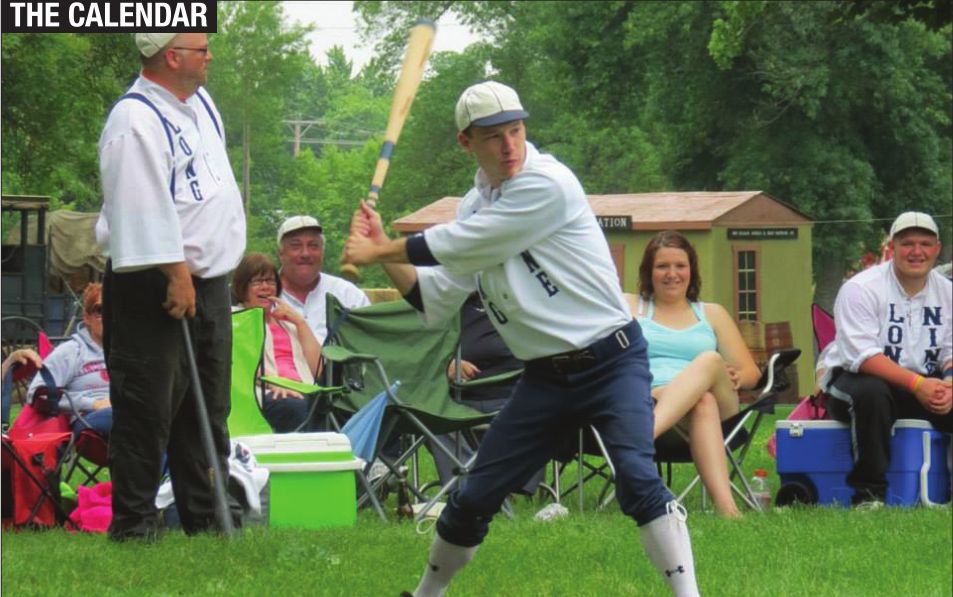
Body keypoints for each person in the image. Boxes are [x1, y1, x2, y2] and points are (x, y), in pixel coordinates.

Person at [344, 81, 699, 597]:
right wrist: (386, 254)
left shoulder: (548, 183)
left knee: (637, 479)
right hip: (544, 377)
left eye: (515, 130)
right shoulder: (473, 207)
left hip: (612, 360)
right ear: (466, 142)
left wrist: (380, 250)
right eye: (493, 137)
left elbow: (468, 241)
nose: (509, 146)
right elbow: (436, 299)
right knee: (474, 495)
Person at [96, 32, 245, 541]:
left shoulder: (199, 103)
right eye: (201, 50)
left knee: (208, 408)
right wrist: (177, 274)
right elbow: (139, 206)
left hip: (209, 281)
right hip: (154, 281)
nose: (210, 56)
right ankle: (135, 524)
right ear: (171, 56)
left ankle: (206, 517)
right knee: (147, 406)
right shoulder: (133, 120)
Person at [819, 211, 952, 507]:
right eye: (907, 244)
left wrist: (948, 384)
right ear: (892, 247)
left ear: (937, 248)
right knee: (872, 393)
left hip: (922, 382)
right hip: (854, 379)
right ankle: (869, 496)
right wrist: (917, 384)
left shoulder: (947, 292)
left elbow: (950, 350)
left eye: (925, 244)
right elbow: (862, 356)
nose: (917, 252)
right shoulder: (861, 288)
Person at [626, 231, 760, 517]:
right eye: (662, 266)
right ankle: (729, 512)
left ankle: (641, 439)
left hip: (722, 408)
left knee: (710, 360)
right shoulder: (631, 307)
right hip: (652, 397)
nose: (672, 274)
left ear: (692, 271)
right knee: (703, 401)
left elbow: (751, 372)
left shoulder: (711, 313)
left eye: (680, 266)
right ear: (649, 272)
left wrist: (738, 377)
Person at [431, 293, 543, 495]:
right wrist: (445, 363)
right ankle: (469, 487)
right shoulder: (448, 306)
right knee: (431, 412)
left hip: (513, 396)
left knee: (542, 404)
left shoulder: (522, 300)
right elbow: (424, 350)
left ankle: (504, 485)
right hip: (458, 400)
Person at [233, 253, 324, 432]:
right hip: (265, 390)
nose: (265, 287)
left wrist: (301, 323)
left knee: (333, 405)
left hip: (304, 388)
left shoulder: (289, 323)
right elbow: (242, 363)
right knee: (295, 406)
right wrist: (275, 383)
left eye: (270, 281)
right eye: (257, 282)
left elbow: (319, 370)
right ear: (242, 287)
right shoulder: (237, 320)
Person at [26, 284, 113, 439]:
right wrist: (93, 404)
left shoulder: (130, 354)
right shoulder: (71, 352)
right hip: (89, 418)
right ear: (87, 317)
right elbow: (38, 393)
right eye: (100, 310)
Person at [277, 215, 370, 345]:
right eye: (296, 246)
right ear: (281, 253)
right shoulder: (262, 296)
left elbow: (370, 343)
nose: (305, 254)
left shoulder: (348, 295)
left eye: (313, 246)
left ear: (322, 252)